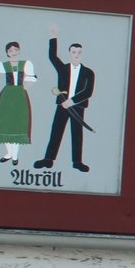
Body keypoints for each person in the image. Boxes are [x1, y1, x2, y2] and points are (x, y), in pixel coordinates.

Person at [34, 30, 94, 173]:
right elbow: (52, 56)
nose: (76, 55)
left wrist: (72, 101)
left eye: (79, 52)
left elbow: (88, 92)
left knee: (77, 133)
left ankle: (77, 162)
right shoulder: (63, 69)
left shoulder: (88, 72)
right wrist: (53, 37)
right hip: (62, 105)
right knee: (56, 130)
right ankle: (48, 159)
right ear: (70, 53)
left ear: (82, 54)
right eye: (74, 52)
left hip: (77, 107)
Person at [0, 39, 33, 166]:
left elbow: (31, 79)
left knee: (17, 125)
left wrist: (24, 88)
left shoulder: (26, 64)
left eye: (16, 50)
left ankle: (15, 156)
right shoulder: (4, 65)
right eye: (10, 51)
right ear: (7, 53)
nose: (13, 52)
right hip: (7, 96)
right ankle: (9, 153)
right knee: (5, 124)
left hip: (20, 96)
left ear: (19, 51)